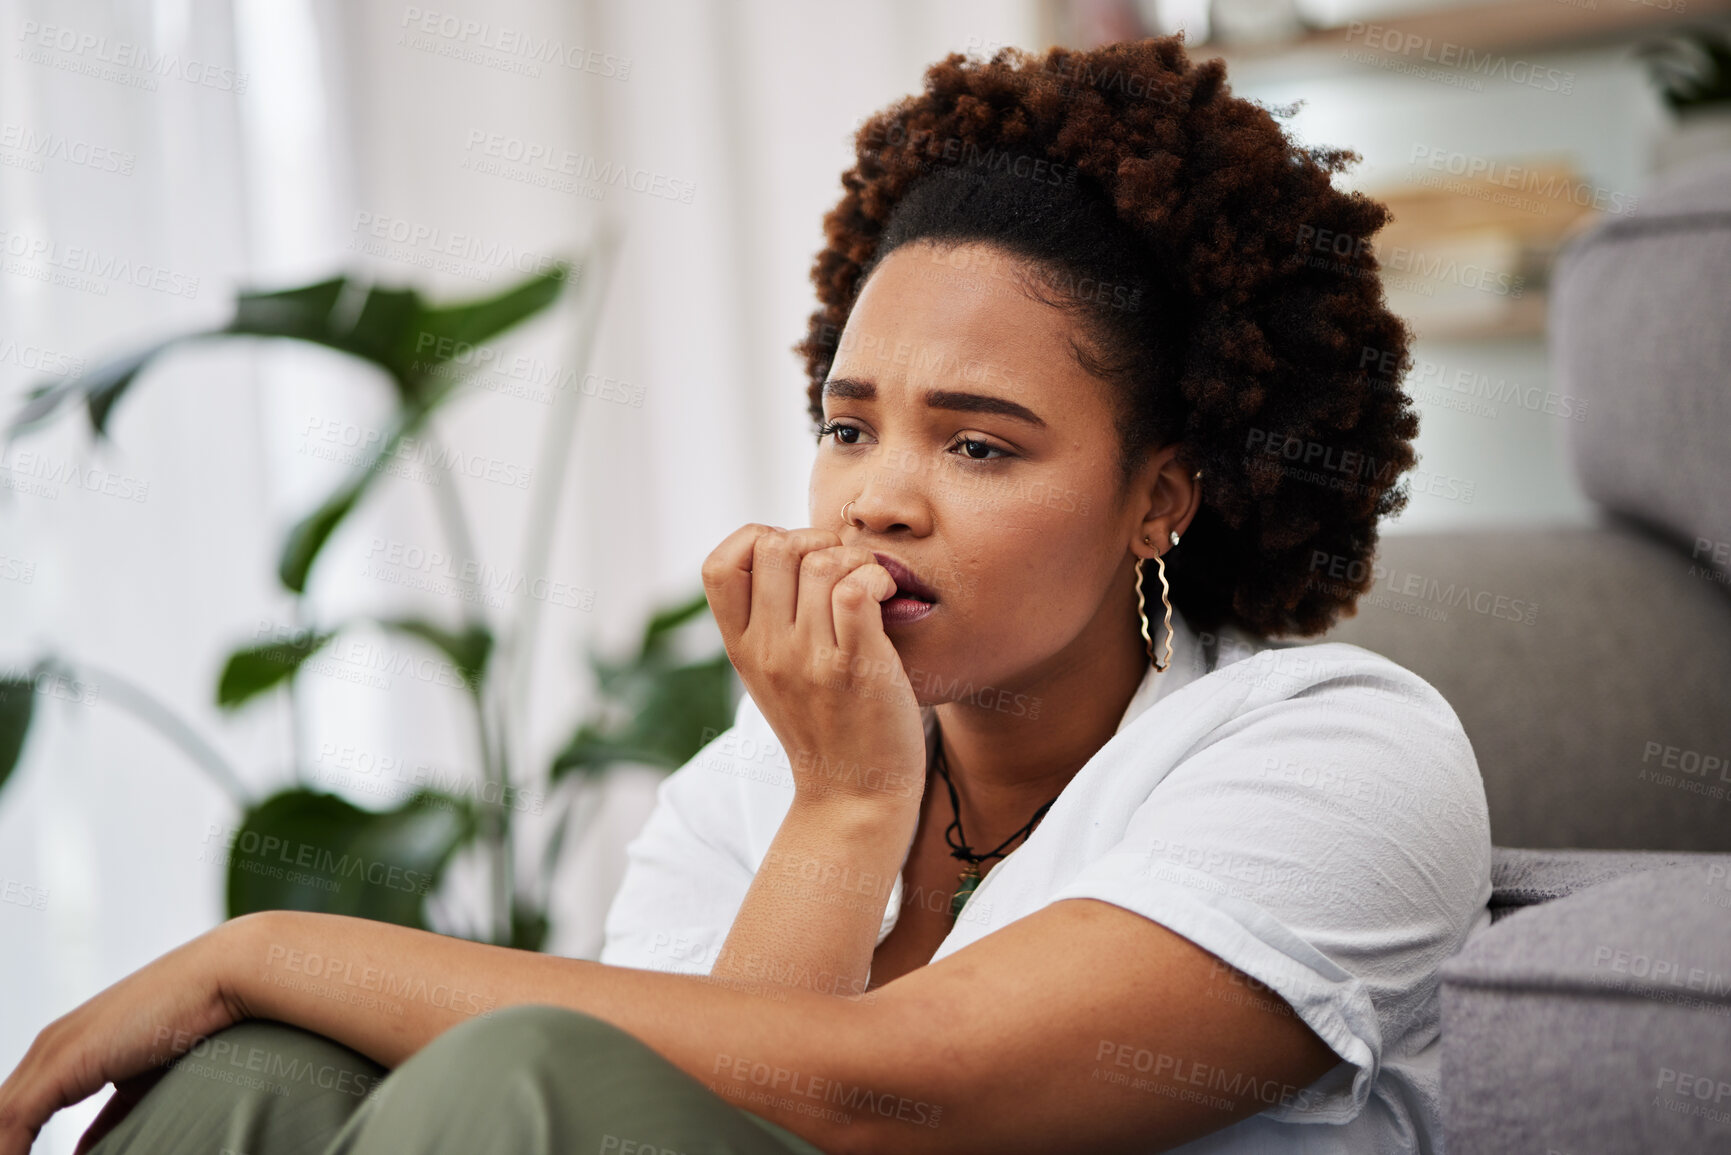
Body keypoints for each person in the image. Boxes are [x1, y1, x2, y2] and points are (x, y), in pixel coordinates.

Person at [0, 35, 1490, 1155]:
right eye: (850, 426)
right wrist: (826, 815)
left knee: (507, 1080)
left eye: (978, 444)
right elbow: (691, 1116)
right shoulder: (741, 790)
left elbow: (881, 1092)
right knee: (256, 1080)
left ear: (1160, 495)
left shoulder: (1342, 749)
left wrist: (257, 945)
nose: (878, 494)